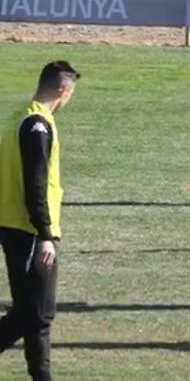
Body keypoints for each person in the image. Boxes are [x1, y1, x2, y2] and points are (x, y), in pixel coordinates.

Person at [0, 61, 80, 381]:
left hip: (15, 225)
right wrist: (45, 233)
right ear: (64, 90)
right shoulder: (39, 126)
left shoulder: (20, 116)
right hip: (31, 230)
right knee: (38, 314)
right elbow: (36, 183)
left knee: (29, 313)